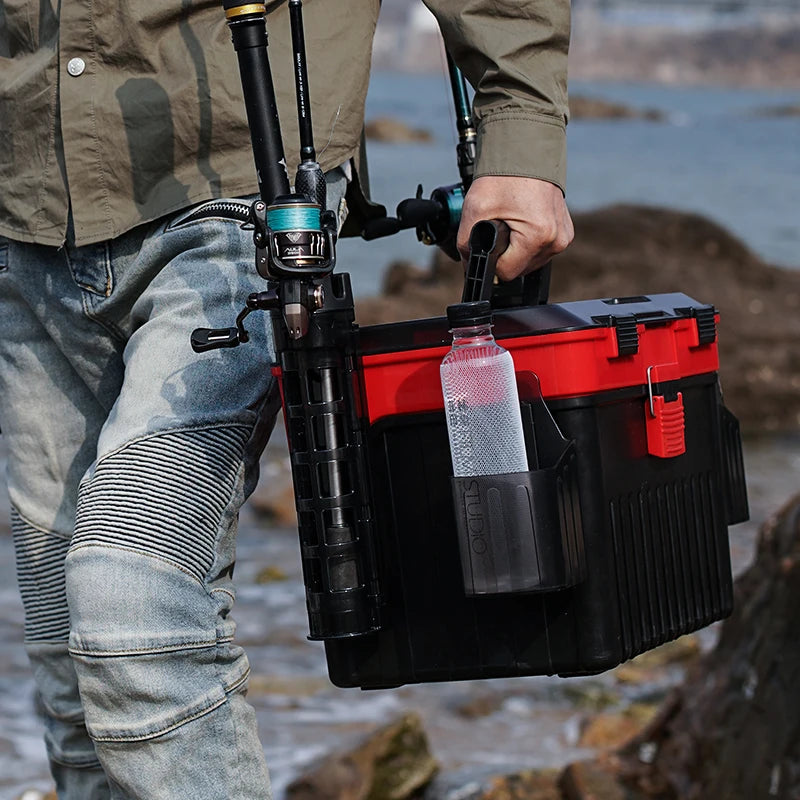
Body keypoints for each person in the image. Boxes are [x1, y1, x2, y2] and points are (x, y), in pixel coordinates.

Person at [0, 0, 573, 797]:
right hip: (23, 210)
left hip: (241, 199)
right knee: (72, 674)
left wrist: (520, 134)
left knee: (133, 602)